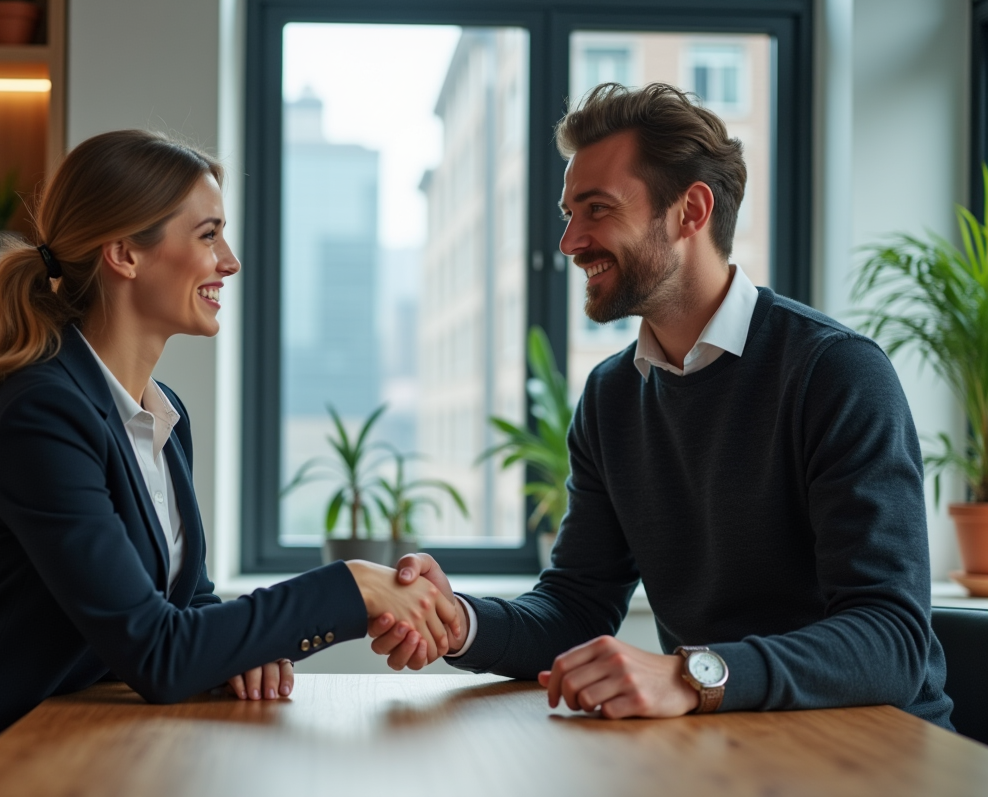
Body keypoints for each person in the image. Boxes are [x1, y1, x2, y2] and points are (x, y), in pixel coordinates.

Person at [0, 129, 458, 795]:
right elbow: (158, 650)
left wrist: (234, 654)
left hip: (84, 752)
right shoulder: (43, 414)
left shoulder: (161, 415)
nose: (229, 261)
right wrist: (353, 585)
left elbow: (184, 609)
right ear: (124, 254)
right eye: (208, 235)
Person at [370, 82, 954, 728]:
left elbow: (891, 638)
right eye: (569, 213)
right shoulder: (612, 396)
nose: (569, 242)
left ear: (690, 211)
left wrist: (689, 673)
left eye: (596, 209)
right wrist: (464, 623)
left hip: (881, 753)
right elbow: (576, 604)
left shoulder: (836, 372)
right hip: (728, 747)